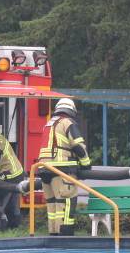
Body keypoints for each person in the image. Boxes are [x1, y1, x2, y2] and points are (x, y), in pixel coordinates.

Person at [37, 98, 92, 236]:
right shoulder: (68, 123)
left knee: (53, 204)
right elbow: (78, 146)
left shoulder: (48, 124)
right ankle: (65, 235)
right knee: (66, 202)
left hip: (44, 169)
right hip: (62, 169)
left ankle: (53, 235)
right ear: (71, 110)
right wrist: (86, 164)